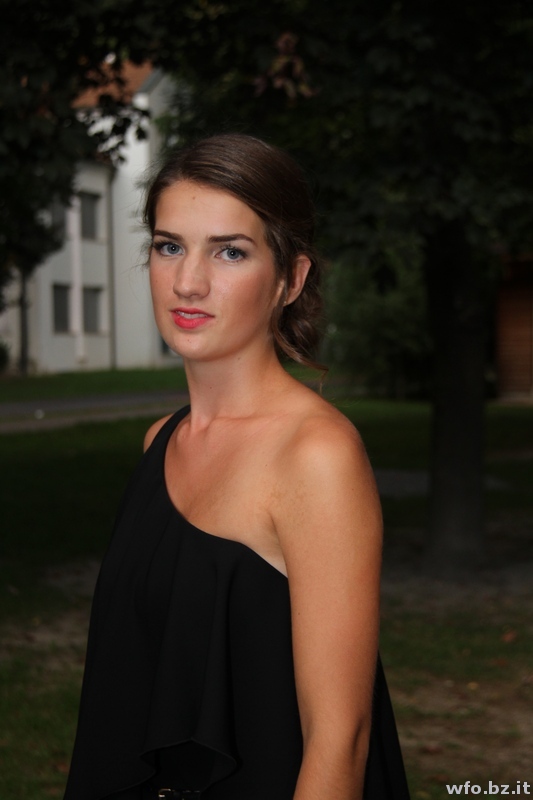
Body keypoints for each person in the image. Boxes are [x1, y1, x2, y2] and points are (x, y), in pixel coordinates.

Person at [63, 133, 410, 800]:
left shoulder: (316, 455)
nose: (188, 282)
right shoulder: (160, 442)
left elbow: (341, 741)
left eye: (230, 251)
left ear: (290, 279)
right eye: (169, 246)